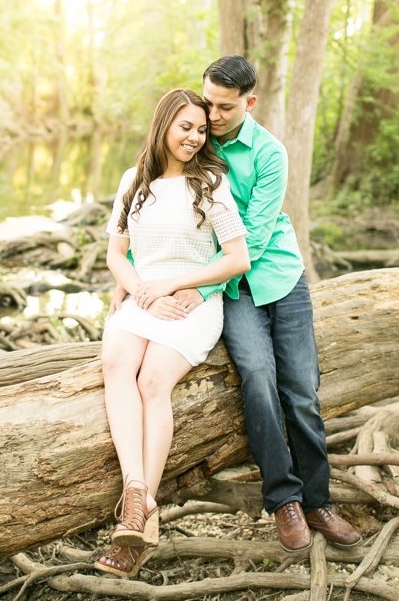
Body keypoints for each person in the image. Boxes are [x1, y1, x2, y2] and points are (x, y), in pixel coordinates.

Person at [169, 55, 362, 553]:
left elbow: (252, 237)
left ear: (249, 103)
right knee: (257, 375)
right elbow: (162, 206)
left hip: (278, 274)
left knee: (301, 389)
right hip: (232, 288)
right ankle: (284, 502)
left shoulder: (271, 153)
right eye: (207, 102)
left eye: (224, 108)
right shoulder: (195, 146)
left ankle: (318, 501)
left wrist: (202, 287)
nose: (211, 116)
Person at [95, 87, 251, 578]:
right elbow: (116, 254)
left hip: (190, 300)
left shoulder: (211, 182)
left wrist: (179, 285)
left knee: (152, 381)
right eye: (186, 126)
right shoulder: (133, 181)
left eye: (201, 130)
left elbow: (237, 258)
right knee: (117, 362)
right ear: (164, 123)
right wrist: (140, 289)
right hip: (146, 296)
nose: (194, 137)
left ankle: (137, 513)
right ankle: (137, 494)